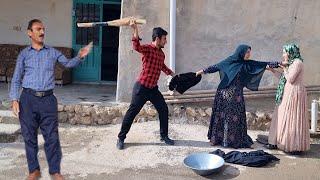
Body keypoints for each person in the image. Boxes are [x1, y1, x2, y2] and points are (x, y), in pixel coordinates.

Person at [9, 19, 91, 180]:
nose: (42, 32)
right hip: (28, 99)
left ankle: (55, 171)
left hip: (47, 100)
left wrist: (80, 56)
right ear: (29, 33)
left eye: (43, 29)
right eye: (38, 29)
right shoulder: (24, 55)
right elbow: (16, 78)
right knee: (29, 137)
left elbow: (67, 64)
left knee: (52, 137)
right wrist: (14, 99)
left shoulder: (52, 52)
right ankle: (34, 170)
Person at [196, 44, 279, 148]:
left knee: (234, 118)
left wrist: (279, 64)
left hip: (237, 97)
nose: (249, 54)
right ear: (241, 52)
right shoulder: (230, 61)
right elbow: (216, 66)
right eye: (247, 52)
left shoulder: (246, 64)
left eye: (249, 52)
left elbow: (262, 65)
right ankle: (217, 139)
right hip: (223, 94)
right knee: (223, 117)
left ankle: (233, 141)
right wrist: (201, 71)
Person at [116, 21, 175, 150]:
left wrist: (170, 73)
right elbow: (137, 46)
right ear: (157, 39)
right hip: (141, 88)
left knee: (163, 109)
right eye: (164, 39)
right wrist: (135, 28)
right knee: (132, 112)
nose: (166, 41)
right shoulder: (148, 49)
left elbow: (161, 66)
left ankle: (164, 136)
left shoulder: (161, 54)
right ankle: (121, 138)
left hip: (153, 89)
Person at [266, 43, 310, 154]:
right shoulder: (291, 63)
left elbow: (290, 78)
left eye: (285, 52)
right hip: (287, 92)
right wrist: (273, 70)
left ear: (291, 52)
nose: (283, 54)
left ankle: (294, 145)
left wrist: (284, 68)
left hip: (295, 92)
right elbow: (283, 78)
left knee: (293, 118)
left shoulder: (297, 63)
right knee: (284, 117)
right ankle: (281, 141)